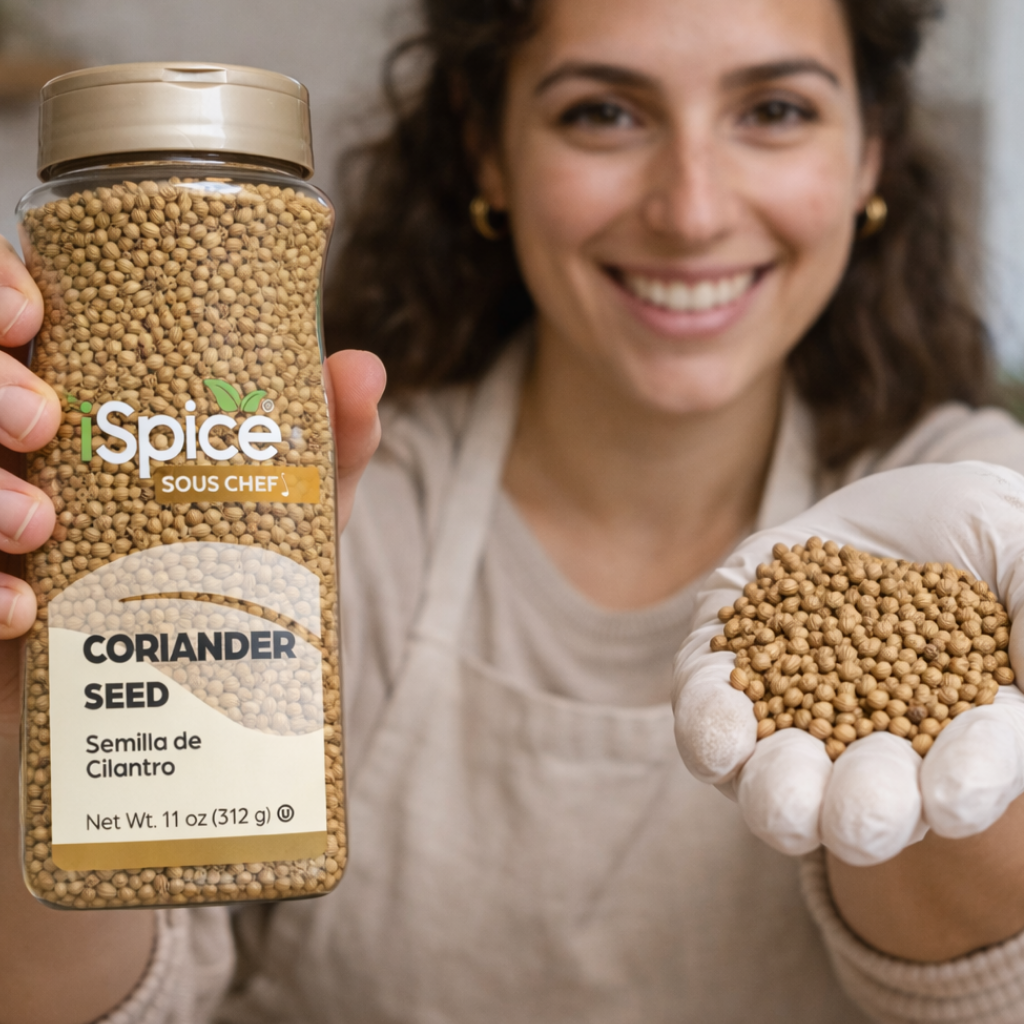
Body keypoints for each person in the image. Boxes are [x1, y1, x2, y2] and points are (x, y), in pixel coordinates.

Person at [4, 0, 1024, 1020]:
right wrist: (17, 721)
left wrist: (960, 757)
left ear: (868, 154)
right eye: (603, 115)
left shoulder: (970, 513)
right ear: (485, 147)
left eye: (772, 108)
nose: (692, 208)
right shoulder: (316, 506)